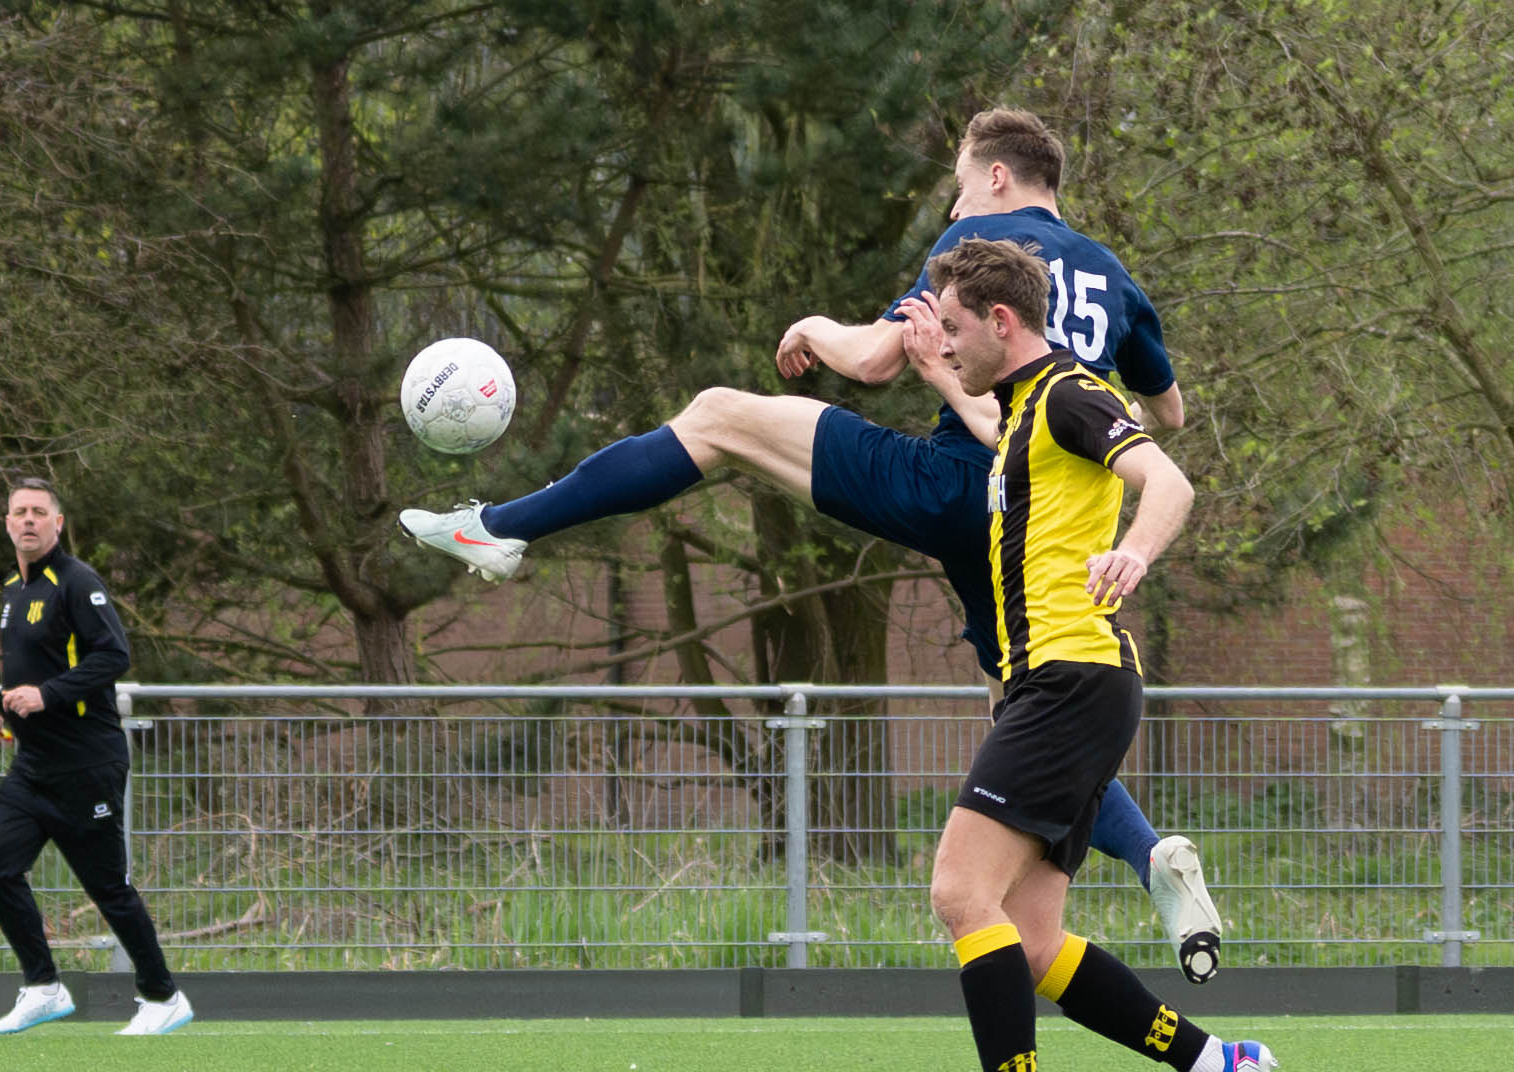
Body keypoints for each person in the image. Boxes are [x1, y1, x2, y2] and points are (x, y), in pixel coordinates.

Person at [399, 108, 1223, 983]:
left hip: (955, 483)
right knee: (1018, 713)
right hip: (1037, 522)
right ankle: (1151, 854)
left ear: (995, 177)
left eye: (957, 184)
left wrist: (812, 327)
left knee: (718, 416)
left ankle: (503, 528)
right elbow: (1168, 413)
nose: (952, 207)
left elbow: (871, 361)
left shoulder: (981, 250)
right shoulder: (1112, 276)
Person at [905, 237, 1272, 1072]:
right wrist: (938, 373)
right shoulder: (1025, 409)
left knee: (959, 891)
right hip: (1065, 686)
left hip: (1071, 679)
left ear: (1001, 321)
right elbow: (999, 427)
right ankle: (1219, 1068)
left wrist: (1136, 552)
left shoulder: (1070, 392)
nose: (947, 338)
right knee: (1030, 942)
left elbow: (1169, 481)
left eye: (955, 326)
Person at [0, 477, 193, 1036]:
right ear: (7, 523)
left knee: (107, 888)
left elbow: (113, 655)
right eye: (19, 511)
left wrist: (48, 696)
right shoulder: (13, 589)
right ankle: (43, 987)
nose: (28, 520)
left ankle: (163, 996)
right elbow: (22, 668)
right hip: (33, 767)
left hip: (86, 763)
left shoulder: (77, 582)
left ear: (58, 523)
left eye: (38, 511)